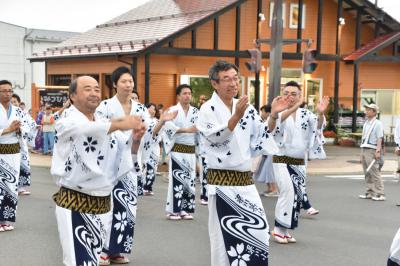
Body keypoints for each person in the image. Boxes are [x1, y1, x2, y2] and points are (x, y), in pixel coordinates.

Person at [197, 60, 290, 265]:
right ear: (214, 84)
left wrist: (274, 115)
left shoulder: (247, 109)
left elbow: (263, 134)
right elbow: (215, 137)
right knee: (224, 239)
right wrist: (236, 116)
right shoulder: (207, 109)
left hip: (246, 184)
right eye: (226, 79)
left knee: (258, 232)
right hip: (222, 185)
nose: (232, 83)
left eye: (235, 78)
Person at [51, 76, 145, 266]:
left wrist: (135, 140)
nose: (94, 93)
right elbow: (83, 129)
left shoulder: (103, 121)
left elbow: (124, 151)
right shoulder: (67, 120)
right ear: (72, 96)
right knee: (79, 262)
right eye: (87, 89)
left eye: (96, 89)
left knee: (92, 261)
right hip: (75, 202)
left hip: (103, 203)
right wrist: (119, 124)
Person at [95, 66, 176, 265]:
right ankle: (102, 249)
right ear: (114, 84)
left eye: (131, 81)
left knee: (127, 208)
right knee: (107, 207)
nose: (128, 84)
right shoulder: (104, 106)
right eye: (124, 81)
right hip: (108, 165)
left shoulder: (139, 109)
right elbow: (98, 132)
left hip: (130, 163)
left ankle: (117, 250)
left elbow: (148, 135)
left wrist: (161, 122)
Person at [271, 81, 328, 244]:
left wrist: (321, 113)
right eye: (286, 93)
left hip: (299, 161)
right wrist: (293, 107)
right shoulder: (279, 112)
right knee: (287, 192)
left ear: (299, 95)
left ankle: (285, 230)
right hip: (281, 159)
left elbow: (318, 127)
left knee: (296, 196)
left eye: (293, 94)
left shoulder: (306, 114)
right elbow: (274, 126)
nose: (289, 96)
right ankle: (277, 229)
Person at [163, 84, 198, 220]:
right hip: (177, 150)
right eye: (184, 93)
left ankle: (185, 209)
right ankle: (173, 210)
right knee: (177, 180)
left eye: (189, 93)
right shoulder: (173, 110)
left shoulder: (196, 112)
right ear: (178, 96)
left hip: (190, 151)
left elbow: (200, 128)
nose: (187, 95)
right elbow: (168, 126)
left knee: (189, 181)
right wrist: (186, 130)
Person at [0, 80, 31, 232]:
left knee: (11, 186)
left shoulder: (18, 111)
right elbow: (8, 129)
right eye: (4, 91)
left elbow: (29, 126)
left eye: (10, 90)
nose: (7, 93)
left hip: (14, 152)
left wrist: (20, 129)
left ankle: (6, 220)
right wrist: (8, 129)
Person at [11, 94, 37, 196]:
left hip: (21, 144)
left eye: (15, 101)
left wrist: (34, 128)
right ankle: (9, 187)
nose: (13, 103)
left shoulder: (24, 114)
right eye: (11, 101)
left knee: (23, 164)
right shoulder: (5, 113)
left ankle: (21, 188)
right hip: (7, 143)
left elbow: (30, 124)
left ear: (19, 102)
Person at [358, 103, 385, 201]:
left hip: (372, 150)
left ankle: (380, 193)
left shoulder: (378, 123)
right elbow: (363, 138)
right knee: (367, 172)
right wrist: (361, 153)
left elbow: (379, 138)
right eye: (366, 109)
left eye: (369, 109)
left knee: (374, 172)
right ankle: (370, 192)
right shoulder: (366, 123)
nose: (366, 111)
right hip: (364, 148)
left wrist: (378, 151)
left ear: (374, 112)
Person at [254, 104, 279, 197]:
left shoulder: (271, 121)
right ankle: (270, 188)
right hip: (265, 150)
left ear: (268, 112)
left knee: (269, 170)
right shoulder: (265, 121)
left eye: (263, 111)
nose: (261, 114)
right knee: (264, 169)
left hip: (272, 150)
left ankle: (274, 189)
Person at [143, 103, 161, 196]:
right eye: (150, 108)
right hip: (144, 147)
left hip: (154, 147)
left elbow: (159, 135)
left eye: (154, 109)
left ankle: (148, 187)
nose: (152, 110)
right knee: (145, 167)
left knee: (152, 168)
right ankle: (144, 186)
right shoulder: (142, 120)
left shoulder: (158, 121)